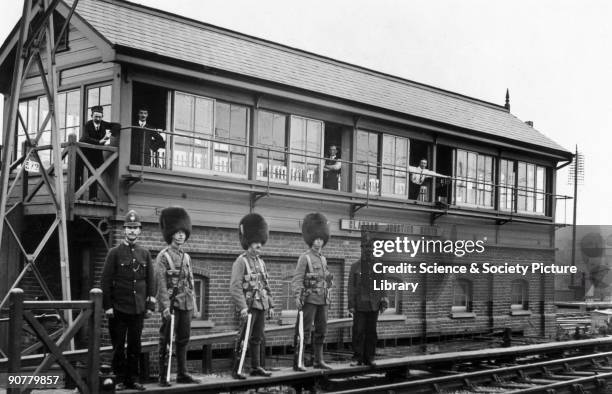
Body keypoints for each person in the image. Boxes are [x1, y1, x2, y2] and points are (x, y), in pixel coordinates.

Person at [100, 209, 156, 391]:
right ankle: (118, 380)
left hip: (138, 308)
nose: (132, 231)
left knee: (135, 345)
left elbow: (151, 281)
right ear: (124, 230)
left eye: (135, 228)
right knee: (118, 347)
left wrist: (149, 305)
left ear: (140, 231)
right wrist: (107, 306)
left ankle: (132, 379)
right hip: (118, 308)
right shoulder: (114, 253)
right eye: (129, 228)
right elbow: (105, 280)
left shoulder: (145, 254)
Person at [156, 207, 201, 387]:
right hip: (172, 304)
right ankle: (163, 375)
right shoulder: (163, 256)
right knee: (166, 339)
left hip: (186, 304)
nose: (181, 236)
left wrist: (195, 307)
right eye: (177, 232)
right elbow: (160, 283)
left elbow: (190, 283)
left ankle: (182, 373)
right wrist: (165, 307)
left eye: (183, 232)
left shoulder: (187, 257)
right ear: (171, 234)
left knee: (183, 340)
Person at [230, 213, 274, 379]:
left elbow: (266, 285)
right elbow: (235, 287)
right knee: (243, 337)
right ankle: (237, 368)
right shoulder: (241, 261)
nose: (259, 246)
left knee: (257, 338)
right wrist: (242, 307)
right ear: (248, 242)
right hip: (248, 306)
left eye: (260, 242)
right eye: (256, 242)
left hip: (261, 305)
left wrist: (270, 305)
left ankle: (256, 367)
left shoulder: (261, 263)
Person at [292, 212, 334, 370]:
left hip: (322, 300)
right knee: (304, 331)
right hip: (309, 300)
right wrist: (298, 295)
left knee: (321, 330)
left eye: (321, 239)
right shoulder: (305, 258)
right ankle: (299, 361)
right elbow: (297, 279)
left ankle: (318, 360)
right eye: (316, 239)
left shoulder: (323, 259)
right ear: (311, 239)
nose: (319, 242)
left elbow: (325, 279)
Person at [348, 231, 388, 367]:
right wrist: (351, 305)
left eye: (370, 248)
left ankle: (369, 357)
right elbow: (351, 287)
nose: (368, 250)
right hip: (360, 305)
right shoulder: (355, 266)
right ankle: (357, 357)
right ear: (362, 249)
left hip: (374, 304)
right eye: (365, 247)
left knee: (371, 332)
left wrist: (384, 300)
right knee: (358, 331)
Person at [77, 106, 111, 200]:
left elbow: (103, 140)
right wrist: (100, 141)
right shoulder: (88, 125)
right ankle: (77, 195)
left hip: (94, 153)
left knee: (94, 174)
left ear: (102, 117)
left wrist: (105, 139)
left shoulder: (103, 127)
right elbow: (86, 138)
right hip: (82, 151)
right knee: (78, 173)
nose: (98, 119)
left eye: (100, 117)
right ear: (92, 116)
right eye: (96, 116)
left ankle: (93, 196)